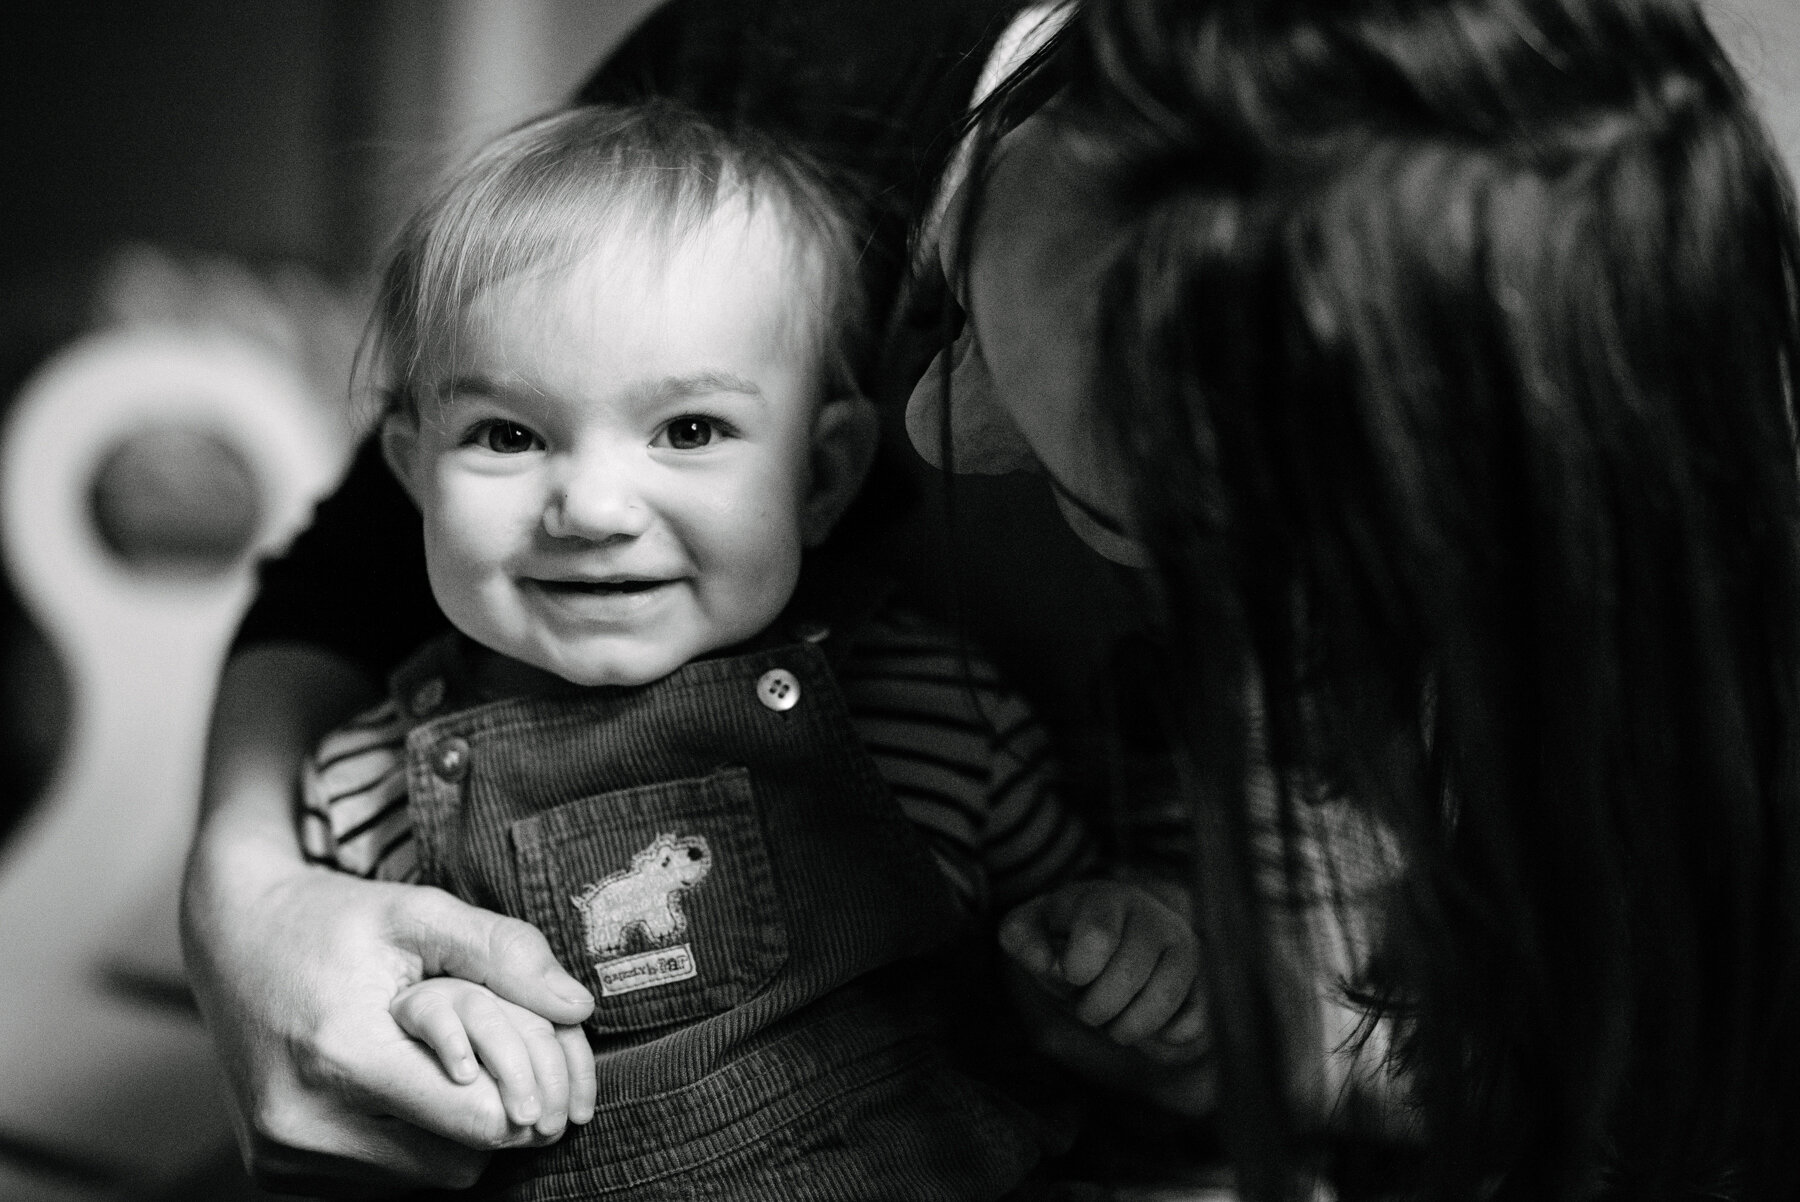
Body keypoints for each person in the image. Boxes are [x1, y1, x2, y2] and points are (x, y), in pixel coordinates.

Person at [180, 0, 1800, 1198]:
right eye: (949, 292)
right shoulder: (822, 50)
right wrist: (246, 894)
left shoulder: (1674, 613)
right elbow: (357, 549)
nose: (919, 429)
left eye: (1101, 499)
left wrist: (1302, 1045)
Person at [286, 100, 1203, 1200]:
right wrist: (426, 1029)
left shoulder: (934, 709)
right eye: (509, 435)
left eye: (689, 430)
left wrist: (1122, 943)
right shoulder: (360, 782)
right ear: (413, 470)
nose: (591, 506)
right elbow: (330, 1062)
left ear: (820, 478)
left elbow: (1061, 936)